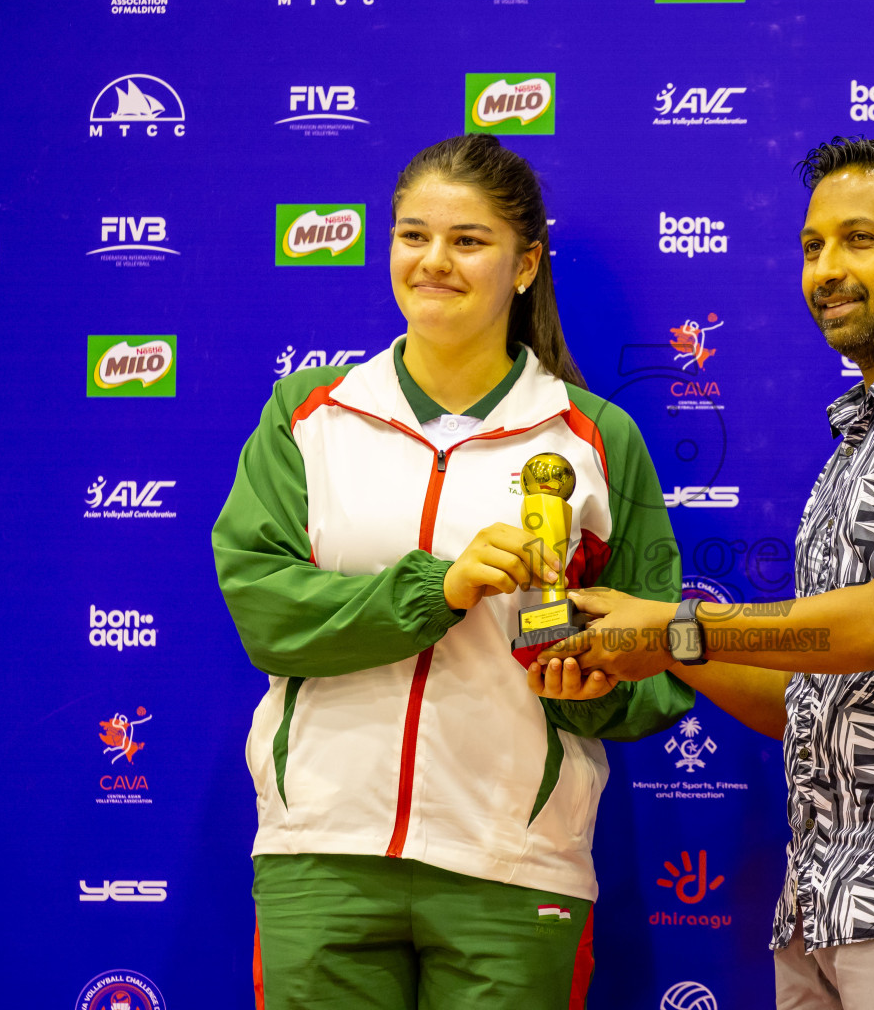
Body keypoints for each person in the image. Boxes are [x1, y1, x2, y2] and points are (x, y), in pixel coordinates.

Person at [538, 137, 874, 1010]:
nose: (825, 269)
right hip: (828, 899)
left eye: (859, 240)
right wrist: (655, 647)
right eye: (812, 245)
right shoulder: (858, 443)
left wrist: (678, 627)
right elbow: (806, 705)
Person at [211, 134, 692, 1010]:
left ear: (524, 265)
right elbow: (265, 611)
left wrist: (583, 679)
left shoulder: (594, 439)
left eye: (467, 241)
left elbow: (657, 661)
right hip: (323, 850)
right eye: (412, 235)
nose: (433, 261)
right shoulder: (309, 415)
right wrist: (440, 586)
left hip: (513, 861)